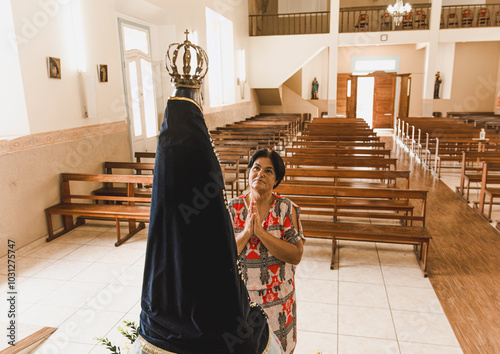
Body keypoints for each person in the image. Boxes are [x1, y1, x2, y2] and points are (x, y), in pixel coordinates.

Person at [134, 31, 283, 354]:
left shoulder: (168, 145)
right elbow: (214, 227)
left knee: (174, 256)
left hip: (166, 285)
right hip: (211, 294)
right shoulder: (199, 151)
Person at [229, 148, 305, 354]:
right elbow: (221, 256)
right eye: (256, 168)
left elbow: (296, 255)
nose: (260, 173)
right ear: (249, 172)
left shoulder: (286, 209)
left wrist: (261, 233)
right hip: (241, 300)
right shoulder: (232, 208)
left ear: (277, 179)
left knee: (279, 349)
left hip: (279, 300)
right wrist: (246, 233)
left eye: (268, 171)